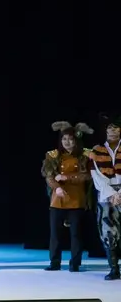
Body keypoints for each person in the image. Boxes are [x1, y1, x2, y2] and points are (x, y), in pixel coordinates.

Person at [42, 121, 92, 272]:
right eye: (64, 139)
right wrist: (56, 188)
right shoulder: (53, 155)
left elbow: (88, 175)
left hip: (77, 199)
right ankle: (54, 262)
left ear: (76, 140)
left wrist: (67, 178)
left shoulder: (84, 155)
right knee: (55, 234)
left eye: (70, 139)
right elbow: (48, 175)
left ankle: (75, 263)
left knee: (76, 234)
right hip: (57, 199)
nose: (67, 142)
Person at [89, 115, 121, 281]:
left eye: (116, 127)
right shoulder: (97, 151)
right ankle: (114, 268)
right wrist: (112, 193)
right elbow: (96, 174)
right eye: (110, 128)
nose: (113, 131)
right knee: (108, 232)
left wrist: (120, 193)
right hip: (106, 195)